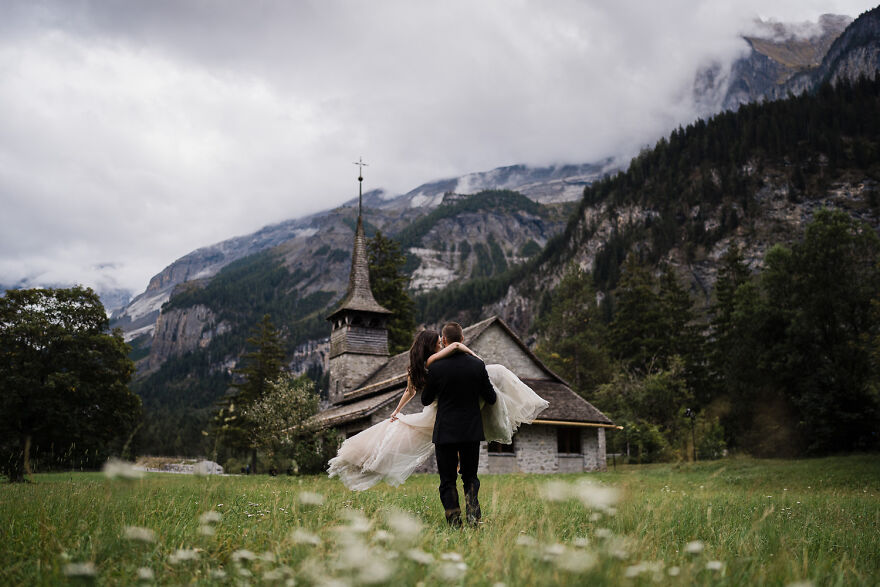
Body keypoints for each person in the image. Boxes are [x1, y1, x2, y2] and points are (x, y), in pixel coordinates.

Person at [327, 325, 549, 523]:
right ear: (462, 338)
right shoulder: (477, 365)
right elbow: (491, 398)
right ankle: (474, 516)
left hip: (444, 430)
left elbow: (424, 399)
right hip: (471, 431)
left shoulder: (436, 368)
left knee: (447, 479)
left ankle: (453, 517)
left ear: (444, 340)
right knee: (470, 476)